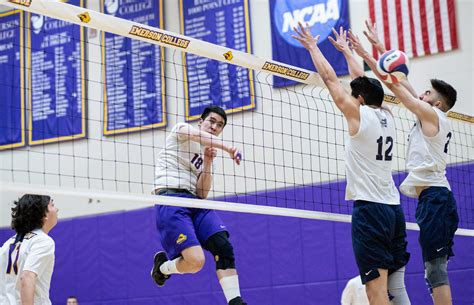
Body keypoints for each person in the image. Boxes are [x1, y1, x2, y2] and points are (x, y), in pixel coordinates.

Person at [293, 23, 410, 305]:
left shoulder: (358, 116)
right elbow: (364, 82)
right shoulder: (388, 114)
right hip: (393, 210)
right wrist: (347, 52)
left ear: (358, 99)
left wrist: (311, 46)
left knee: (375, 292)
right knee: (396, 287)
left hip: (370, 211)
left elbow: (330, 79)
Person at [351, 19, 459, 305]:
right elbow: (398, 80)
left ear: (435, 103)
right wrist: (376, 49)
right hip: (430, 201)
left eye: (427, 94)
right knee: (431, 270)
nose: (420, 93)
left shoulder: (433, 116)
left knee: (435, 271)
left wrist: (371, 58)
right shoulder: (428, 113)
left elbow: (396, 84)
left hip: (436, 199)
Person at [150, 105, 246, 305]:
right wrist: (229, 148)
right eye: (212, 121)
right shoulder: (181, 129)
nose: (215, 127)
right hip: (171, 198)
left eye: (220, 125)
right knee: (195, 262)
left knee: (223, 245)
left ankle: (236, 302)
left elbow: (202, 193)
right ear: (200, 121)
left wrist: (209, 162)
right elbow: (199, 136)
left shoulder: (206, 152)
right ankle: (162, 269)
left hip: (194, 201)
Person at [0, 194, 59, 305]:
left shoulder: (7, 244)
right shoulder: (43, 241)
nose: (56, 209)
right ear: (44, 214)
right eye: (52, 205)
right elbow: (27, 277)